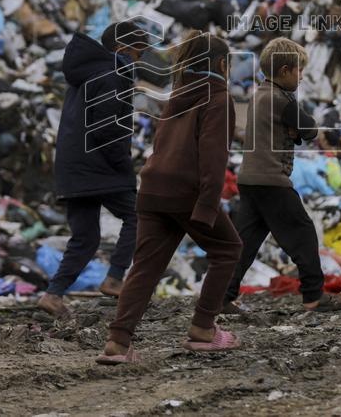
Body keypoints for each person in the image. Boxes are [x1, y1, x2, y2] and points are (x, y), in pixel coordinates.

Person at [97, 30, 243, 364]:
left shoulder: (177, 95)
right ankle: (204, 326)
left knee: (145, 267)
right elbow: (213, 155)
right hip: (185, 191)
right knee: (228, 248)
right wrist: (207, 204)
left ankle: (117, 343)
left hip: (151, 189)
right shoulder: (218, 98)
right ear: (222, 64)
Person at [223, 37, 341, 314]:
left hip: (249, 179)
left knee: (246, 243)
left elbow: (298, 130)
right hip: (271, 180)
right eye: (299, 71)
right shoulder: (282, 99)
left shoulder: (260, 94)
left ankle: (224, 296)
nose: (301, 77)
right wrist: (297, 131)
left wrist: (295, 131)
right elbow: (311, 130)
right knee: (302, 233)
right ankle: (314, 295)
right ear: (284, 71)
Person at [37, 21, 150, 319]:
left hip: (74, 168)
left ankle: (53, 295)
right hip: (99, 167)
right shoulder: (112, 75)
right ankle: (114, 278)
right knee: (138, 215)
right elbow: (106, 131)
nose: (139, 61)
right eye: (139, 53)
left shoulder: (87, 72)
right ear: (124, 49)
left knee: (85, 238)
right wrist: (126, 168)